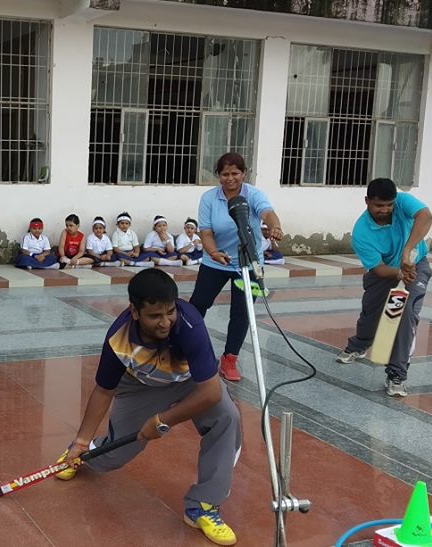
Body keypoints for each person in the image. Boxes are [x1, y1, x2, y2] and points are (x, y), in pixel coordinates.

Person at [57, 268, 241, 546]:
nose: (165, 322)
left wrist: (161, 420)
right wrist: (82, 440)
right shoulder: (118, 337)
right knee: (114, 457)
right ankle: (85, 453)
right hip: (140, 387)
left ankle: (203, 505)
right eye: (155, 316)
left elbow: (211, 392)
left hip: (189, 381)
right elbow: (104, 390)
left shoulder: (190, 323)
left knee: (227, 417)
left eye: (170, 312)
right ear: (134, 311)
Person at [335, 178, 432, 397]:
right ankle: (360, 344)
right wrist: (399, 272)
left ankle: (397, 373)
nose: (385, 210)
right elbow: (378, 269)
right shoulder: (361, 232)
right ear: (367, 201)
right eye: (379, 205)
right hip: (386, 271)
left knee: (404, 311)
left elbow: (426, 216)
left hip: (416, 266)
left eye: (389, 205)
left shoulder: (403, 202)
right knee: (372, 310)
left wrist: (407, 252)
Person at [190, 152, 282, 382]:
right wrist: (212, 252)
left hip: (249, 261)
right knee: (198, 305)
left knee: (242, 312)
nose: (230, 178)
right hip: (216, 260)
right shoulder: (209, 198)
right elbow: (206, 231)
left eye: (235, 173)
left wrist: (275, 227)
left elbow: (267, 213)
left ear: (244, 173)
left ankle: (230, 359)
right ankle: (186, 349)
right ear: (218, 175)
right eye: (224, 174)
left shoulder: (254, 195)